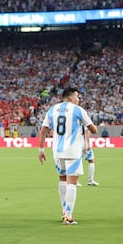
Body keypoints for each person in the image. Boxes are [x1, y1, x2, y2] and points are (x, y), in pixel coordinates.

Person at [37, 87, 97, 225]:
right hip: (73, 151)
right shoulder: (78, 110)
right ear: (70, 98)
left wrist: (41, 149)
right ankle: (69, 216)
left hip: (57, 151)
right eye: (77, 97)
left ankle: (64, 211)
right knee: (72, 183)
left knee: (62, 179)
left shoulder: (52, 110)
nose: (79, 99)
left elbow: (43, 130)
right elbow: (93, 129)